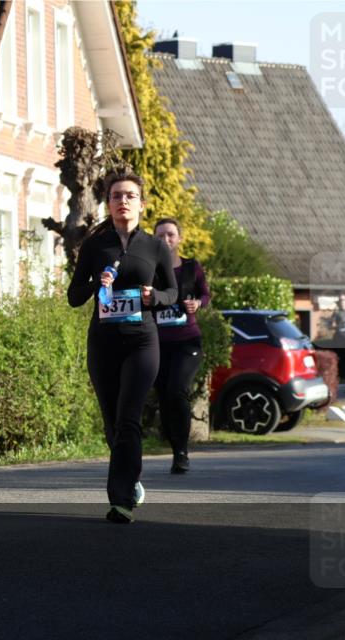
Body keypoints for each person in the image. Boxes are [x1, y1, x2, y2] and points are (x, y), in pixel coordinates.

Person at [67, 169, 177, 524]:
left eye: (130, 196)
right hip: (104, 342)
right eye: (116, 196)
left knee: (129, 417)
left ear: (141, 204)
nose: (123, 202)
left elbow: (173, 292)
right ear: (109, 204)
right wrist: (95, 284)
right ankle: (131, 476)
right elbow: (73, 296)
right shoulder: (95, 246)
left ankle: (120, 501)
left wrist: (153, 296)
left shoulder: (156, 247)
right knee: (113, 423)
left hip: (142, 341)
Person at [153, 218, 210, 474]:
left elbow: (205, 294)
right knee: (165, 396)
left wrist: (197, 304)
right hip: (156, 343)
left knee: (177, 390)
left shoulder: (191, 267)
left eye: (171, 235)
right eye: (161, 235)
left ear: (179, 239)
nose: (166, 240)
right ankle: (175, 445)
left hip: (187, 340)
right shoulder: (148, 269)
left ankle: (182, 451)